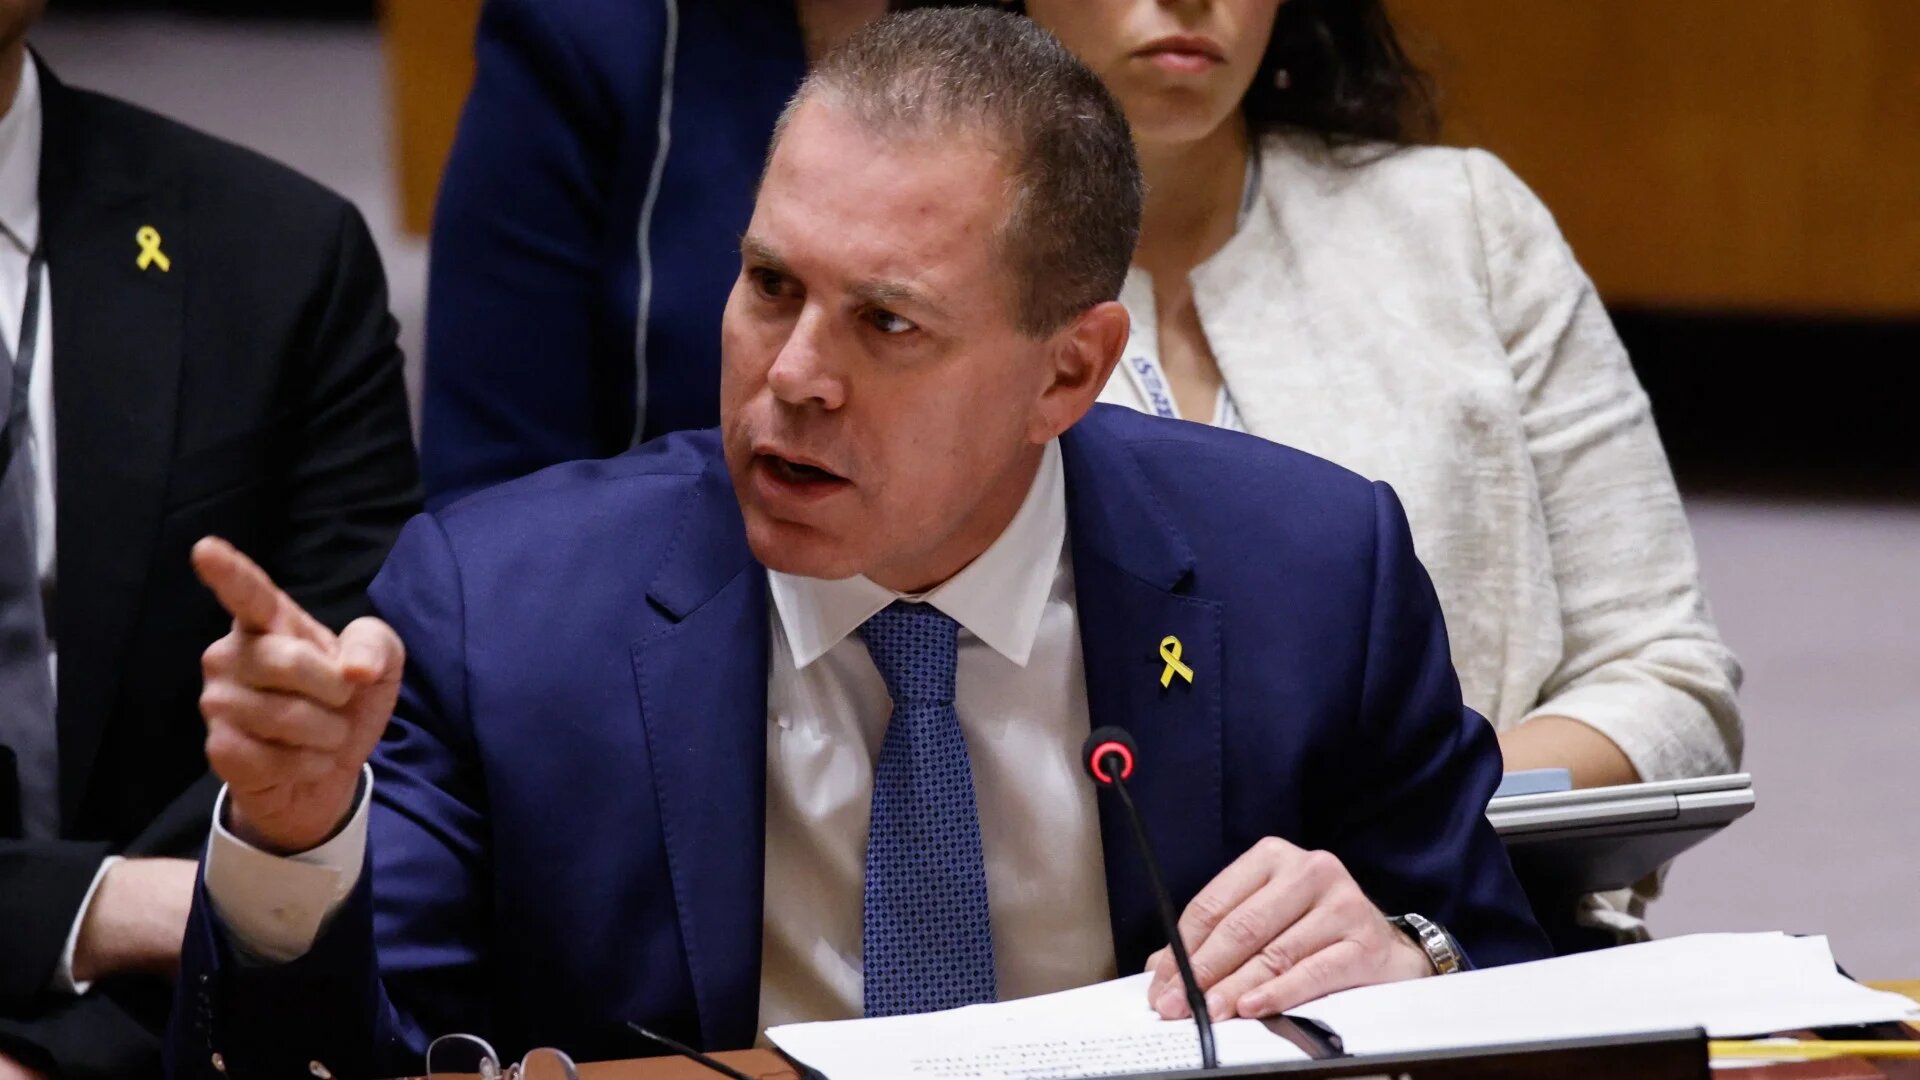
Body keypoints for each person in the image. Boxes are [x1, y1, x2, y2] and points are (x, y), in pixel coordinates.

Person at [169, 11, 1548, 1078]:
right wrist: (294, 847)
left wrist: (1410, 959)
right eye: (770, 286)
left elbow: (1508, 961)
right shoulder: (503, 608)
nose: (792, 379)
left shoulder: (1309, 570)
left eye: (887, 323)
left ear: (1068, 371)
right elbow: (324, 1062)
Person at [1002, 0, 1742, 941]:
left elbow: (1671, 682)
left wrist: (1412, 832)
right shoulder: (912, 277)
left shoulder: (1465, 223)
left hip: (1475, 952)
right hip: (1093, 984)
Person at [0, 4, 422, 1077]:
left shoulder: (279, 255)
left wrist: (66, 1053)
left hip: (166, 1037)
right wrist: (94, 906)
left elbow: (354, 740)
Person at [419, 0, 888, 509]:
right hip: (651, 547)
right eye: (770, 283)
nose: (794, 376)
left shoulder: (964, 42)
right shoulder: (583, 29)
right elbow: (494, 481)